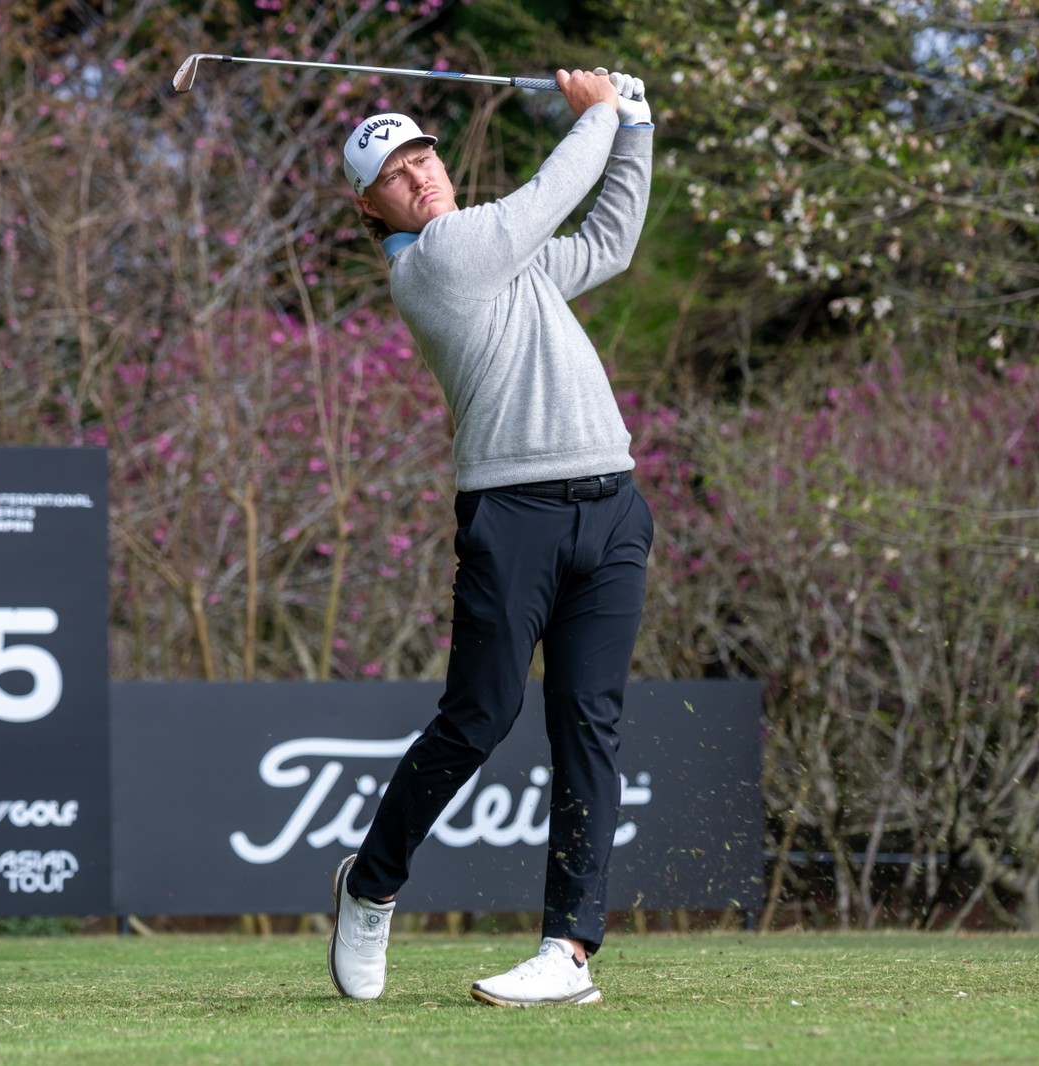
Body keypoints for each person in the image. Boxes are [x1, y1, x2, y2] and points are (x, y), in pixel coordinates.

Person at [328, 68, 655, 1007]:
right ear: (371, 206)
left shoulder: (508, 263)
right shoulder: (436, 262)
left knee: (589, 726)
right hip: (512, 515)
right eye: (395, 171)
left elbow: (609, 240)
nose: (420, 174)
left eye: (423, 153)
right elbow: (549, 197)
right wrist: (596, 113)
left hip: (613, 506)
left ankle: (568, 952)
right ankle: (372, 882)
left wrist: (634, 126)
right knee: (480, 715)